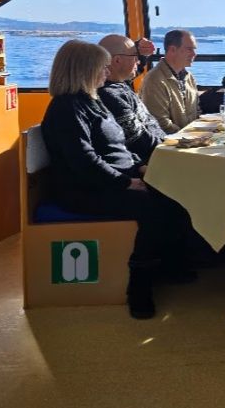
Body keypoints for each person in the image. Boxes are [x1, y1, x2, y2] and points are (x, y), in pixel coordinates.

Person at [40, 40, 193, 320]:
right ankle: (139, 287)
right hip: (86, 189)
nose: (106, 72)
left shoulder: (92, 101)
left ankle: (170, 264)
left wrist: (140, 168)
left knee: (178, 195)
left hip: (114, 179)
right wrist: (126, 183)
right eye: (101, 67)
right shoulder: (66, 109)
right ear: (84, 70)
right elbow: (84, 162)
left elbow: (117, 149)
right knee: (153, 209)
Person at [97, 34, 164, 162]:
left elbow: (133, 68)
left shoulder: (120, 83)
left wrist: (139, 50)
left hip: (161, 148)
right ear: (117, 61)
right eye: (135, 56)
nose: (138, 61)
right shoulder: (109, 95)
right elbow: (140, 141)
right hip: (151, 161)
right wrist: (174, 149)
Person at [140, 29, 200, 133]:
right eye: (189, 49)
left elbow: (197, 111)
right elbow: (160, 124)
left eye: (194, 49)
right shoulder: (154, 80)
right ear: (172, 50)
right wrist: (190, 137)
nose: (194, 54)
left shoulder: (189, 77)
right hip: (170, 144)